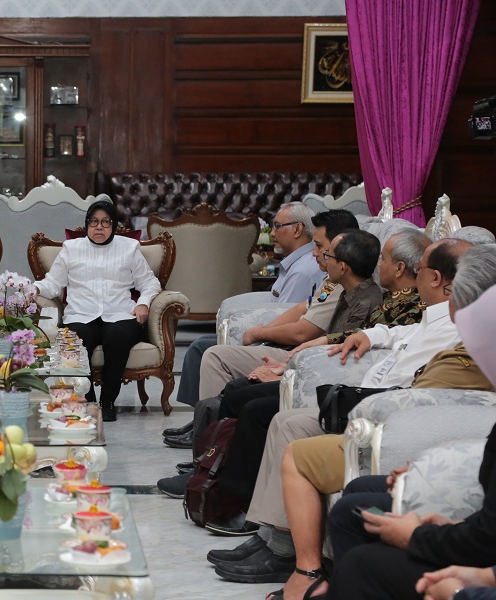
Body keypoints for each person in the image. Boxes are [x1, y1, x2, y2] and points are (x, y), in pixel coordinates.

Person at [209, 238, 471, 589]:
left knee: (283, 422)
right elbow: (401, 332)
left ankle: (285, 551)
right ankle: (270, 536)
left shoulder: (456, 328)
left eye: (419, 270)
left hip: (383, 415)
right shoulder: (430, 315)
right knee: (271, 412)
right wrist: (369, 334)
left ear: (437, 278)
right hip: (365, 401)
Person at [272, 244, 496, 600]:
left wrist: (421, 538)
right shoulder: (434, 319)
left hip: (390, 423)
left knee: (361, 550)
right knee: (354, 504)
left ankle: (309, 572)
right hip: (476, 537)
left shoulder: (463, 338)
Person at [157, 229, 384, 505]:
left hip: (326, 382)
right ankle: (209, 467)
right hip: (306, 366)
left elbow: (336, 351)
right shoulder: (346, 291)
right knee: (235, 390)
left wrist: (289, 371)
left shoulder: (367, 301)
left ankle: (228, 490)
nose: (320, 257)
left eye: (327, 254)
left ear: (343, 266)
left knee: (249, 405)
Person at [164, 209, 358, 449]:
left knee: (213, 355)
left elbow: (304, 332)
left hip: (300, 353)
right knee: (208, 352)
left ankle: (209, 444)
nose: (314, 252)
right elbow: (302, 307)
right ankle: (205, 429)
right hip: (293, 350)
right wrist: (264, 330)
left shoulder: (340, 281)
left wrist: (260, 334)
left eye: (319, 246)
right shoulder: (330, 277)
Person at [34, 199, 161, 421]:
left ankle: (108, 401)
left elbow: (150, 283)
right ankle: (89, 401)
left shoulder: (129, 248)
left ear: (113, 226)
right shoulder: (71, 249)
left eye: (105, 222)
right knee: (77, 337)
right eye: (94, 222)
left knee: (118, 336)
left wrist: (143, 302)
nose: (99, 227)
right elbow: (54, 283)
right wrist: (34, 288)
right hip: (81, 314)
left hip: (120, 313)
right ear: (87, 225)